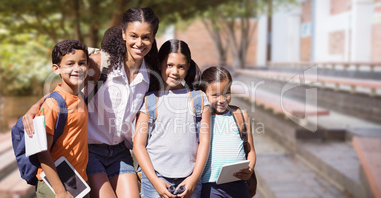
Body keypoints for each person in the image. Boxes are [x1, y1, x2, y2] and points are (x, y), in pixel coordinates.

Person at [23, 7, 160, 198]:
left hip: (120, 152)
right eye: (133, 36)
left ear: (153, 38)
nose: (139, 43)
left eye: (146, 37)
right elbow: (64, 90)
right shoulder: (100, 65)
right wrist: (34, 107)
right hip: (90, 150)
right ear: (123, 34)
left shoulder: (150, 75)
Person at [133, 39, 211, 198]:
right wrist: (154, 181)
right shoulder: (150, 100)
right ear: (160, 64)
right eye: (169, 65)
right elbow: (138, 145)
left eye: (180, 66)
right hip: (156, 179)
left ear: (188, 67)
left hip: (189, 179)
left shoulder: (199, 99)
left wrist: (194, 179)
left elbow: (204, 142)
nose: (174, 71)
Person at [36, 39, 89, 198]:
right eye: (70, 64)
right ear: (56, 69)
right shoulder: (53, 104)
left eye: (82, 63)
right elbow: (42, 150)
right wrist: (60, 191)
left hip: (77, 182)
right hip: (55, 186)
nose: (77, 68)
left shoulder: (80, 96)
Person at [199, 66, 256, 198]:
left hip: (238, 184)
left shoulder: (240, 115)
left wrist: (250, 169)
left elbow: (251, 150)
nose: (222, 99)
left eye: (227, 93)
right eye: (215, 95)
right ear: (203, 93)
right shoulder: (201, 117)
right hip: (210, 186)